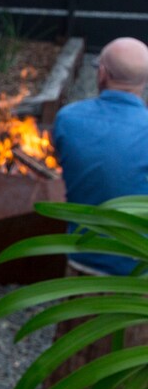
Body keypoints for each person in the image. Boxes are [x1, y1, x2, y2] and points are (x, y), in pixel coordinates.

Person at [51, 36, 148, 275]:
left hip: (81, 258)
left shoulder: (68, 118)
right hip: (139, 267)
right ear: (145, 80)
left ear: (102, 73)